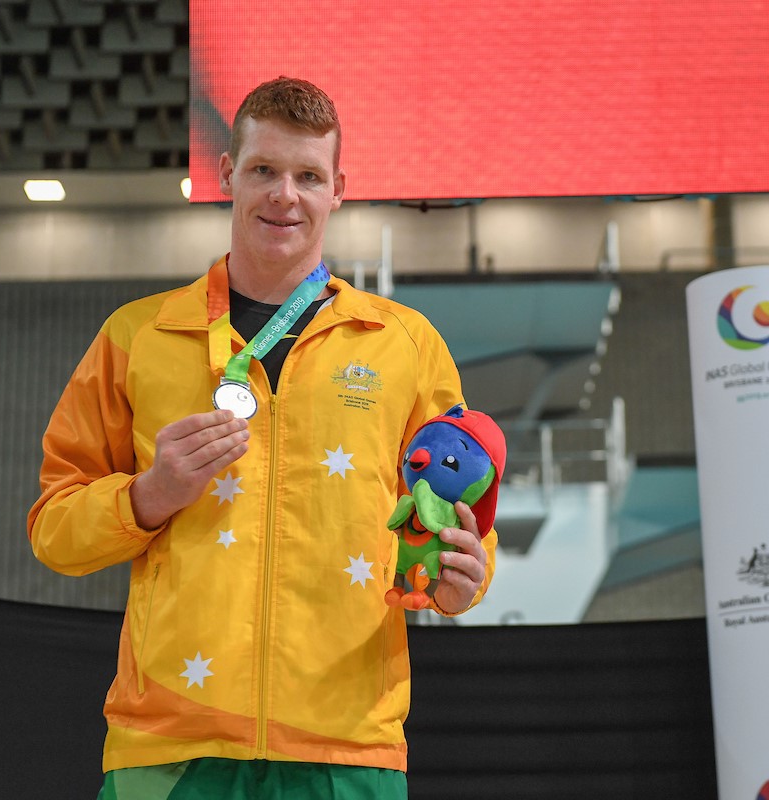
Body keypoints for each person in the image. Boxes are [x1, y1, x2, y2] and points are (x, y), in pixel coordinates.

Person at [27, 77, 497, 799]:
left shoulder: (405, 345)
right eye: (264, 171)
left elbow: (459, 515)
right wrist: (148, 497)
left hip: (348, 746)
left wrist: (462, 581)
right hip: (170, 745)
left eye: (308, 176)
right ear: (227, 176)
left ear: (338, 188)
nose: (286, 195)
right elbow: (54, 531)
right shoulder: (138, 337)